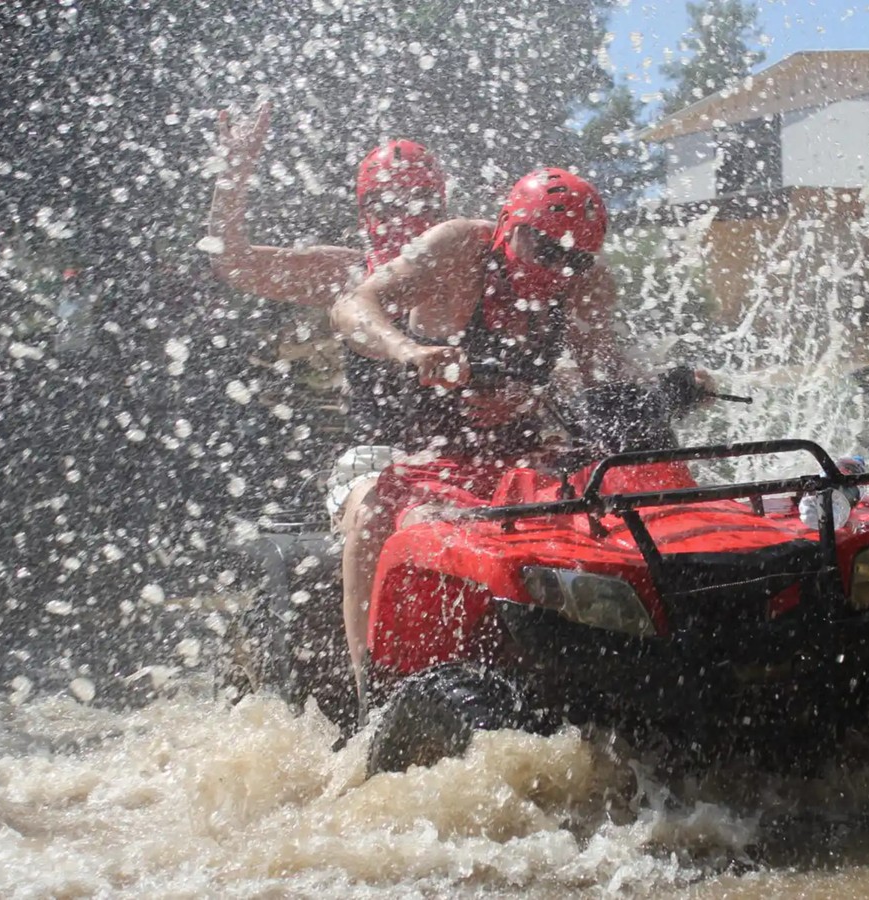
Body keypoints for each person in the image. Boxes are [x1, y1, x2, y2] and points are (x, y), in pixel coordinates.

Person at [328, 167, 638, 698]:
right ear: (507, 224)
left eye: (573, 257)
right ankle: (370, 691)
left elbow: (607, 377)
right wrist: (411, 352)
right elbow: (350, 306)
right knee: (377, 512)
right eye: (542, 246)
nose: (555, 268)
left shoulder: (586, 285)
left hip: (514, 455)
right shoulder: (455, 247)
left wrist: (671, 388)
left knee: (616, 495)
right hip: (413, 449)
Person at [206, 101, 449, 307]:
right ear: (365, 216)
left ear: (442, 211)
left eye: (420, 202)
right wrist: (234, 172)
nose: (403, 218)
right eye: (387, 205)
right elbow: (234, 262)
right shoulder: (349, 272)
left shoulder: (465, 263)